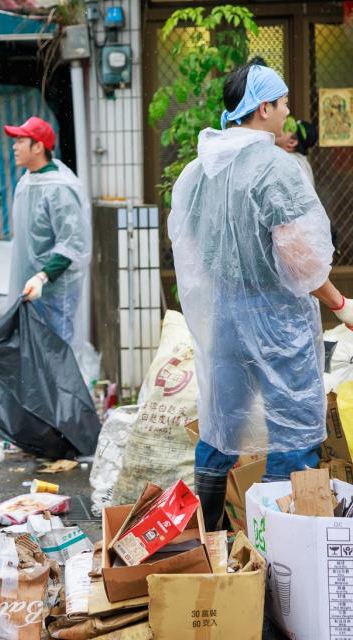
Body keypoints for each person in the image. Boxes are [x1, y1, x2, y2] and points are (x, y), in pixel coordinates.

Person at [169, 63, 353, 530]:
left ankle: (210, 541)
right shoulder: (275, 166)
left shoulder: (200, 169)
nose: (289, 112)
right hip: (277, 323)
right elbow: (300, 259)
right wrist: (340, 304)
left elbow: (189, 245)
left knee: (220, 423)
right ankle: (272, 556)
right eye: (284, 102)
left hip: (225, 318)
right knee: (290, 434)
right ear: (263, 107)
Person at [3, 116, 91, 345]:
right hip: (31, 287)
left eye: (20, 140)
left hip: (55, 291)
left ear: (38, 146)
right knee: (33, 352)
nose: (14, 146)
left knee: (57, 353)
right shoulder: (27, 182)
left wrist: (43, 277)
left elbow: (73, 243)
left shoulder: (59, 188)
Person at [275, 119, 317, 187]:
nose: (278, 128)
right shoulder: (301, 161)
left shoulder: (288, 162)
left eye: (285, 128)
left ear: (292, 142)